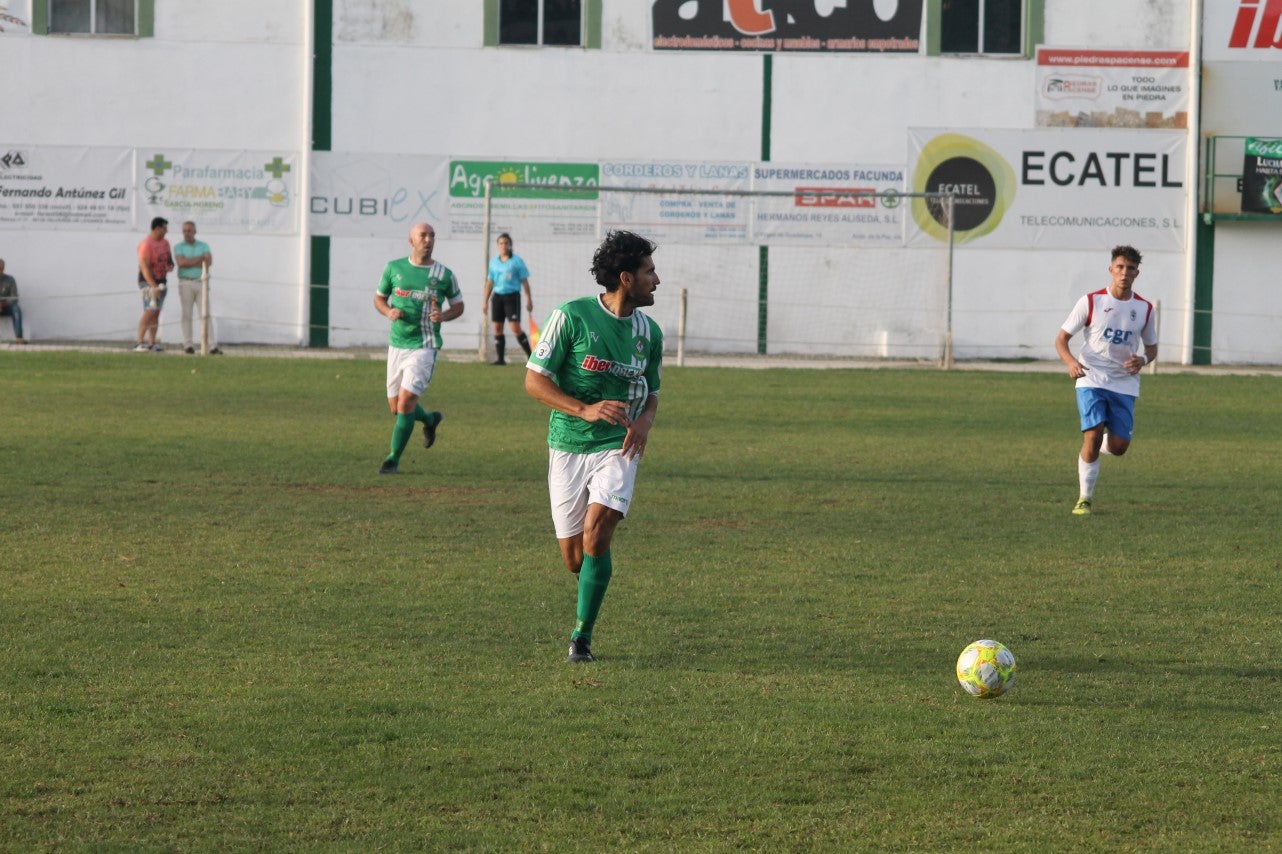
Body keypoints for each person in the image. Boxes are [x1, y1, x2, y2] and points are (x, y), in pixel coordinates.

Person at [524, 230, 664, 663]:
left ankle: (581, 637)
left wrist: (643, 421)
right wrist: (583, 409)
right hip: (568, 443)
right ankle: (592, 579)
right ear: (626, 278)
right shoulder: (571, 317)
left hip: (619, 445)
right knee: (574, 558)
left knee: (598, 530)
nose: (656, 280)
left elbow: (653, 391)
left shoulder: (650, 333)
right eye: (649, 272)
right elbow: (534, 381)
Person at [1055, 244, 1158, 516]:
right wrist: (1071, 362)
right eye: (1120, 267)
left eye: (1131, 268)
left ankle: (1099, 444)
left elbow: (1152, 348)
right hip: (1091, 376)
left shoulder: (1144, 309)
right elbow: (1062, 339)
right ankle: (1084, 498)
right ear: (1111, 269)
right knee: (1092, 433)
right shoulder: (1091, 301)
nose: (1125, 272)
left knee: (1119, 447)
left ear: (1137, 273)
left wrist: (1143, 360)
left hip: (1123, 383)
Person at [373, 222, 464, 474]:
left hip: (425, 345)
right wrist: (389, 311)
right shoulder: (394, 268)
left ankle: (392, 459)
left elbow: (458, 306)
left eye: (432, 235)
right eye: (422, 235)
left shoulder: (443, 275)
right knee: (397, 407)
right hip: (397, 344)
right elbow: (379, 299)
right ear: (411, 240)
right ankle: (430, 419)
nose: (428, 239)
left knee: (406, 402)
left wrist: (442, 316)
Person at [483, 232, 533, 365]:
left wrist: (529, 299)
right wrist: (485, 302)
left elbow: (525, 281)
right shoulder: (494, 262)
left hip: (512, 297)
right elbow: (489, 283)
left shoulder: (517, 261)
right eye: (501, 243)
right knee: (497, 327)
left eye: (506, 243)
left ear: (510, 245)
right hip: (497, 297)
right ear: (498, 245)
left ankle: (531, 357)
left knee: (515, 327)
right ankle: (500, 359)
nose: (503, 245)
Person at [173, 220, 222, 355]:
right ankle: (188, 344)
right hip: (186, 282)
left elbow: (209, 262)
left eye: (189, 230)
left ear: (194, 231)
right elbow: (182, 263)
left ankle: (212, 345)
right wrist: (200, 259)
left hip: (202, 282)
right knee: (186, 314)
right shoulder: (179, 246)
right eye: (184, 231)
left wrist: (193, 261)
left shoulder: (203, 245)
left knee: (205, 314)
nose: (186, 233)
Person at [135, 217, 174, 352]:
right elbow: (144, 268)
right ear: (158, 228)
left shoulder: (165, 243)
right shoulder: (146, 245)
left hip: (162, 281)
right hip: (147, 282)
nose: (166, 231)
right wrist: (153, 286)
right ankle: (139, 342)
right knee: (149, 311)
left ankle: (152, 342)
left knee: (156, 312)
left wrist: (170, 266)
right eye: (165, 228)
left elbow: (169, 260)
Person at [0, 257, 25, 344]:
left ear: (3, 268)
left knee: (16, 309)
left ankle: (19, 337)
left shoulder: (10, 280)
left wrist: (3, 304)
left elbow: (14, 298)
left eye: (1, 268)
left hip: (6, 307)